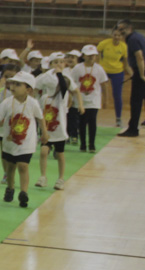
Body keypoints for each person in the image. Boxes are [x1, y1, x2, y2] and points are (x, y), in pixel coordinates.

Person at [0, 72, 43, 208]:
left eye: (18, 84)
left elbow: (41, 118)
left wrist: (44, 133)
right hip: (9, 142)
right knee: (10, 167)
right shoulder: (7, 103)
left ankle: (23, 192)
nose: (13, 86)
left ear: (28, 90)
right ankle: (10, 187)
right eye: (13, 83)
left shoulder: (33, 103)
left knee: (23, 166)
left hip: (26, 142)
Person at [35, 53, 78, 191]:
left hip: (59, 129)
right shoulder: (44, 97)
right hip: (47, 130)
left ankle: (60, 178)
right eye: (56, 62)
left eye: (61, 62)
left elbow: (65, 87)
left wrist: (59, 73)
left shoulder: (62, 97)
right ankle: (43, 176)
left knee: (60, 154)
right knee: (43, 151)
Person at [70, 44, 108, 152]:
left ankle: (92, 144)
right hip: (81, 100)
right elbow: (72, 84)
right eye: (89, 55)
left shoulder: (99, 69)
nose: (92, 57)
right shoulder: (78, 68)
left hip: (94, 100)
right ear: (83, 56)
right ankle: (83, 144)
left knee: (92, 122)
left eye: (94, 55)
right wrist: (71, 98)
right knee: (82, 122)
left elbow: (104, 84)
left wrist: (105, 100)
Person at [97, 28, 128, 127]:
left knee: (117, 95)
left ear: (122, 37)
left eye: (119, 35)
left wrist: (131, 73)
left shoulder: (123, 47)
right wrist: (98, 66)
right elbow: (96, 53)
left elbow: (126, 63)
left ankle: (118, 118)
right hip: (104, 71)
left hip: (117, 72)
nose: (116, 37)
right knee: (97, 93)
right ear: (112, 35)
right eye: (115, 35)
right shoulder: (104, 43)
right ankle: (94, 116)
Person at [63, 50, 82, 143]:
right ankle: (66, 135)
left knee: (74, 117)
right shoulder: (64, 70)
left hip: (76, 96)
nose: (70, 59)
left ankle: (75, 135)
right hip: (66, 97)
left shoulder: (80, 69)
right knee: (66, 116)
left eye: (73, 57)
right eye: (69, 57)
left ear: (77, 59)